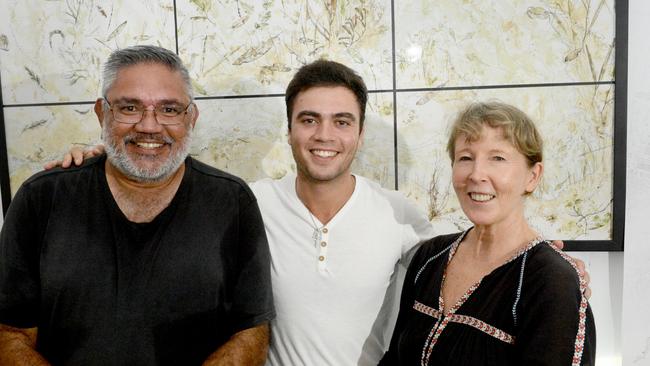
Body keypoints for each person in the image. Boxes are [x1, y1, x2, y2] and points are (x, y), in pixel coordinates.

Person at [43, 60, 589, 365]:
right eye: (309, 119)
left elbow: (483, 234)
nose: (324, 135)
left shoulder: (404, 220)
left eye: (341, 121)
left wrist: (543, 259)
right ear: (289, 128)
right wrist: (98, 159)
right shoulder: (244, 204)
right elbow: (158, 175)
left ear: (359, 133)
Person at [0, 45, 274, 366]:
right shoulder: (41, 198)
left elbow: (252, 331)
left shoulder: (232, 201)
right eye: (130, 107)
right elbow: (9, 333)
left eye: (169, 109)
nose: (149, 126)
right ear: (102, 113)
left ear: (192, 117)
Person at [379, 102, 595, 365]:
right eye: (466, 158)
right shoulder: (429, 256)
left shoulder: (551, 279)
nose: (476, 174)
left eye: (498, 158)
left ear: (532, 176)